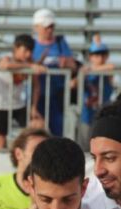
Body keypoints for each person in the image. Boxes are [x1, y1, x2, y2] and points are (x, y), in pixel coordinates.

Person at [0, 34, 43, 149]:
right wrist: (29, 66)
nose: (28, 54)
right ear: (16, 48)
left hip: (18, 103)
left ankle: (28, 151)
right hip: (1, 104)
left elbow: (36, 86)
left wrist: (34, 107)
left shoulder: (30, 62)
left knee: (36, 125)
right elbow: (4, 65)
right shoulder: (7, 57)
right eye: (25, 50)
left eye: (30, 51)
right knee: (1, 136)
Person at [31, 8, 76, 137]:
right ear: (36, 27)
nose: (50, 30)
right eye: (46, 27)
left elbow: (73, 65)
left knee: (58, 132)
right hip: (36, 98)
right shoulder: (31, 45)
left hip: (57, 96)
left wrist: (66, 64)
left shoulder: (61, 43)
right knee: (36, 133)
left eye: (52, 26)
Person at [77, 37, 114, 148]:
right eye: (96, 55)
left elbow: (111, 67)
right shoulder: (85, 71)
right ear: (90, 57)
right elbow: (74, 83)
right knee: (85, 147)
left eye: (103, 55)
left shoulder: (105, 69)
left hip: (103, 114)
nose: (100, 58)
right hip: (87, 115)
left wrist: (90, 69)